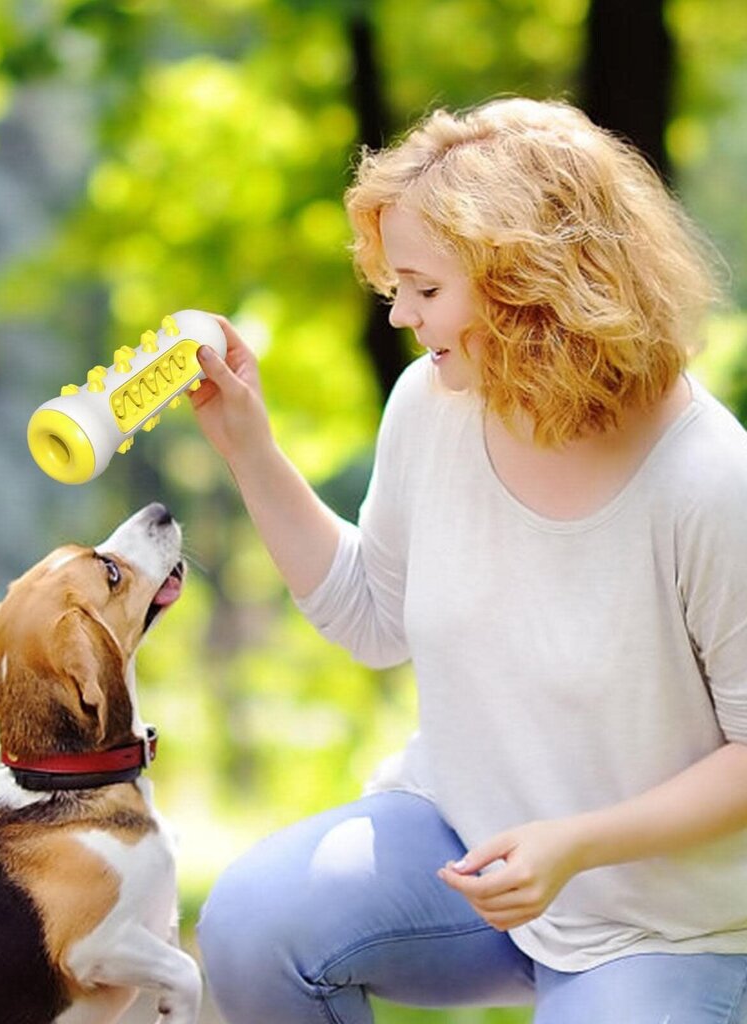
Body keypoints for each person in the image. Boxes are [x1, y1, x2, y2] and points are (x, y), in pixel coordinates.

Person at [188, 97, 747, 1024]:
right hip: (464, 848)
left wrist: (575, 845)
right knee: (251, 922)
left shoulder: (710, 480)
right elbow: (372, 617)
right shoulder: (432, 405)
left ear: (531, 284)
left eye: (425, 288)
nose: (403, 315)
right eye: (394, 288)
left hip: (667, 923)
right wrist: (249, 445)